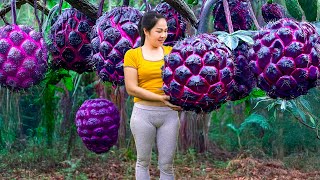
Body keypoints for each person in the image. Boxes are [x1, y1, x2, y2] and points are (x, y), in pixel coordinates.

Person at [123, 11, 182, 180]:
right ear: (146, 31)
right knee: (142, 162)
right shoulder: (133, 55)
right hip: (143, 114)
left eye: (166, 30)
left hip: (169, 116)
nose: (164, 35)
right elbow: (132, 88)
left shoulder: (172, 53)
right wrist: (160, 98)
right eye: (159, 31)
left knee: (167, 165)